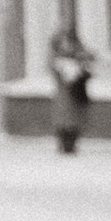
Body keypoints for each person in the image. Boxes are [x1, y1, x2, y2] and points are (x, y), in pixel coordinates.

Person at [47, 23, 95, 158]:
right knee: (67, 118)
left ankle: (69, 142)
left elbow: (87, 65)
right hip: (68, 93)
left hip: (75, 92)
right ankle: (66, 142)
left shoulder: (76, 53)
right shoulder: (60, 59)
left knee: (72, 117)